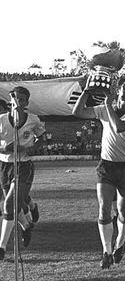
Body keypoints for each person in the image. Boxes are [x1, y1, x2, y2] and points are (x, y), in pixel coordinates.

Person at [72, 75, 125, 269]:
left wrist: (108, 105)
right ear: (118, 90)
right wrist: (86, 91)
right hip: (107, 166)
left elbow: (119, 127)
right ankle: (106, 251)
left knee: (124, 211)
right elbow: (78, 112)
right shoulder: (105, 109)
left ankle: (120, 244)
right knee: (103, 208)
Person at [0, 86, 45, 261]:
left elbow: (41, 136)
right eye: (15, 98)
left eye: (21, 99)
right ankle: (26, 225)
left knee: (9, 205)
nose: (17, 101)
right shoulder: (2, 120)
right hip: (4, 165)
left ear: (26, 102)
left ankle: (2, 247)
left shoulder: (33, 120)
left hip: (24, 165)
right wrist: (4, 147)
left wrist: (33, 147)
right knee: (13, 207)